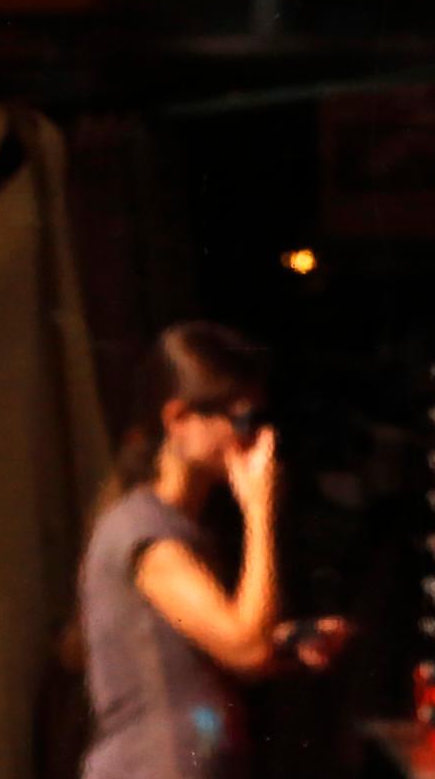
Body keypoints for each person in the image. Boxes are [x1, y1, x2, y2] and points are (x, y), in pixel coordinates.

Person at [78, 321, 345, 779]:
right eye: (241, 420)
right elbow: (246, 648)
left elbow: (221, 644)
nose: (258, 439)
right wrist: (260, 510)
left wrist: (288, 642)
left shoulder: (178, 528)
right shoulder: (146, 533)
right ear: (179, 420)